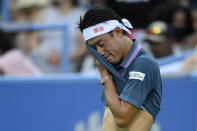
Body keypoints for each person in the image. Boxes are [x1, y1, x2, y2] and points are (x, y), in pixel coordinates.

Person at [78, 7, 162, 131]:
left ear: (118, 31)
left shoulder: (144, 64)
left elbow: (122, 119)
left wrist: (104, 74)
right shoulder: (112, 62)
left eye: (101, 44)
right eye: (94, 48)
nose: (99, 52)